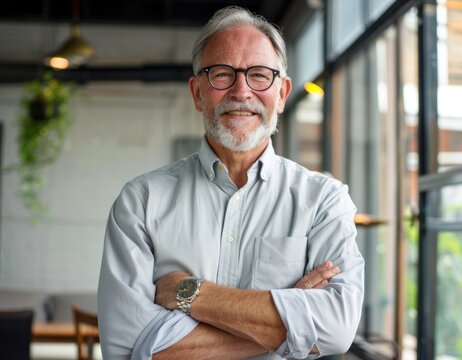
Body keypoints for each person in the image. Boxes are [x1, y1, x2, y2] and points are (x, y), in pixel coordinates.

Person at [98, 5, 364, 360]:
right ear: (197, 93)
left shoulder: (324, 201)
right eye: (221, 74)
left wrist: (191, 293)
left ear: (282, 94)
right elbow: (128, 348)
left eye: (259, 75)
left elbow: (338, 328)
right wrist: (292, 314)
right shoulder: (140, 202)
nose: (241, 91)